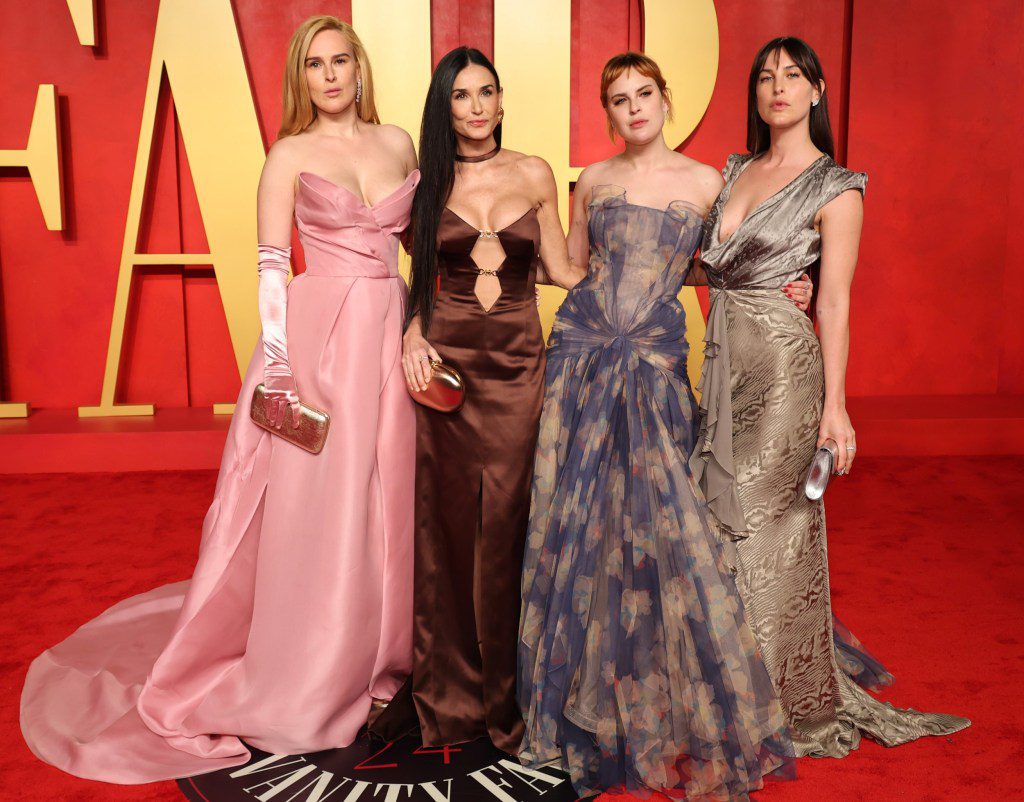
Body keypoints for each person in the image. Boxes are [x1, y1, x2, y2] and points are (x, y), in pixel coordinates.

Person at [20, 16, 419, 782]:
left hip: (389, 329)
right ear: (300, 79)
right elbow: (273, 266)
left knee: (391, 500)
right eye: (315, 65)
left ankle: (385, 658)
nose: (330, 76)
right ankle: (317, 665)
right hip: (318, 343)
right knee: (323, 508)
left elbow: (421, 245)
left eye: (340, 61)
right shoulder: (289, 156)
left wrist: (422, 327)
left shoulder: (399, 143)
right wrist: (278, 375)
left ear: (359, 69)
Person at [518, 53, 811, 799]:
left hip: (651, 362)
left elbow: (720, 265)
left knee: (659, 521)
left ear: (664, 98)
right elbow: (576, 267)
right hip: (582, 355)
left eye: (644, 93)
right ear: (607, 113)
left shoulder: (710, 183)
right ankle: (578, 690)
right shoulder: (596, 180)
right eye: (618, 100)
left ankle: (659, 684)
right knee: (579, 519)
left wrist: (788, 280)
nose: (633, 109)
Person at [690, 36, 970, 756]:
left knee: (760, 527)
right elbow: (705, 266)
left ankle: (766, 706)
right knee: (713, 523)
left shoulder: (835, 186)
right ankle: (729, 692)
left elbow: (836, 304)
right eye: (765, 77)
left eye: (793, 75)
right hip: (723, 367)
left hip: (786, 373)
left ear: (816, 91)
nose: (777, 86)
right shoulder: (734, 171)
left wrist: (834, 408)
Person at [384, 46, 584, 754]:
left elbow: (563, 268)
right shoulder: (425, 183)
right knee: (444, 534)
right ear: (446, 107)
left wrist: (677, 266)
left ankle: (507, 696)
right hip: (446, 371)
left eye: (486, 92)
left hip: (518, 372)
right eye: (461, 95)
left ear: (502, 100)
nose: (475, 107)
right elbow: (409, 279)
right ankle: (448, 697)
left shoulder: (534, 173)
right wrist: (411, 333)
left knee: (506, 533)